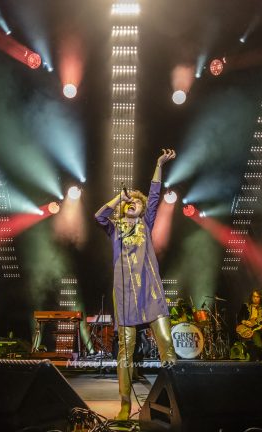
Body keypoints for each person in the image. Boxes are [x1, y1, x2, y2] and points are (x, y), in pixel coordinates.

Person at [95, 148, 176, 420]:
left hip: (150, 289)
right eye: (129, 203)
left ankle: (175, 399)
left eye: (136, 203)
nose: (133, 204)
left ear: (142, 209)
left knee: (166, 342)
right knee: (125, 350)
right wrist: (120, 197)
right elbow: (99, 216)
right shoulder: (115, 229)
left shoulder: (146, 224)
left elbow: (154, 194)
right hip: (125, 293)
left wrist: (159, 164)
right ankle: (125, 404)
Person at [237, 290, 262, 364]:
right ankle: (258, 363)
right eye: (254, 296)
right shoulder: (245, 305)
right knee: (258, 346)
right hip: (252, 329)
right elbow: (239, 317)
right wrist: (245, 321)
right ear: (251, 297)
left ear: (260, 298)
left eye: (257, 297)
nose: (256, 298)